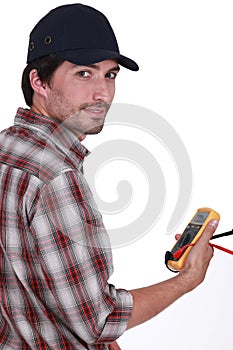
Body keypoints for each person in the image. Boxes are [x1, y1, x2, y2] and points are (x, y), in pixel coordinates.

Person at [0, 4, 218, 350]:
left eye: (110, 75)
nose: (102, 93)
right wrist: (188, 279)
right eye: (84, 74)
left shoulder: (7, 148)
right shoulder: (57, 177)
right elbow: (98, 322)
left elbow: (34, 289)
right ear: (38, 81)